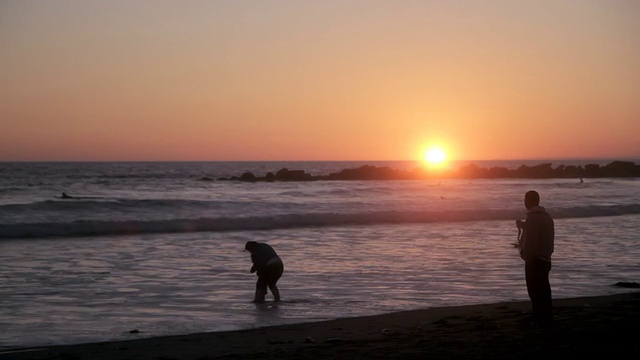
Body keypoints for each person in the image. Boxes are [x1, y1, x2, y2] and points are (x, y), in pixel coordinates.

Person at [516, 190, 555, 325]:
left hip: (534, 259)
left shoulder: (532, 218)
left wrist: (525, 254)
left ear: (528, 201)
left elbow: (531, 241)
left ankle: (538, 316)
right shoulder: (547, 217)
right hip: (546, 256)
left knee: (534, 289)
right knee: (544, 288)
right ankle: (546, 315)